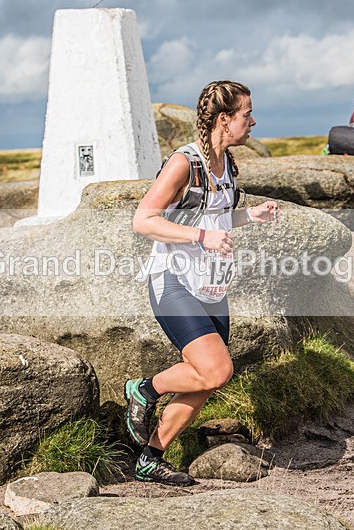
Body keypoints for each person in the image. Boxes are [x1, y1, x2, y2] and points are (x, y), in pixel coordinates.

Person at [126, 80, 279, 486]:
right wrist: (201, 238)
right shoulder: (184, 162)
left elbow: (213, 219)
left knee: (206, 377)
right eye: (247, 114)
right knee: (217, 370)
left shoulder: (227, 163)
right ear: (224, 119)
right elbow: (144, 220)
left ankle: (151, 458)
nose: (253, 121)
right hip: (172, 280)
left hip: (212, 286)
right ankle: (145, 388)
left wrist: (250, 217)